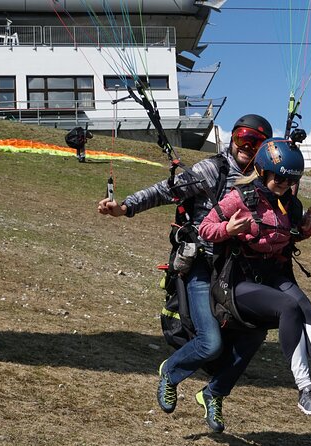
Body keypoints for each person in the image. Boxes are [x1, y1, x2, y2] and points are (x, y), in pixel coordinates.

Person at [97, 114, 275, 433]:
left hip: (239, 270)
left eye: (256, 142)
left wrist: (306, 225)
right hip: (202, 265)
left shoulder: (266, 180)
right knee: (210, 343)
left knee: (257, 329)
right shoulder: (213, 169)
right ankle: (171, 371)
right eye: (242, 138)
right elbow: (168, 190)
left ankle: (213, 392)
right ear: (231, 139)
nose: (247, 146)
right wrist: (125, 207)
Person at [199, 138, 311, 416]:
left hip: (273, 274)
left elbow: (290, 233)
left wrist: (308, 227)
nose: (283, 185)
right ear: (263, 171)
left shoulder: (289, 203)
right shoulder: (239, 197)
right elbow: (205, 229)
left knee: (305, 308)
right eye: (279, 179)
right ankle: (305, 390)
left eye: (290, 181)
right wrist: (228, 230)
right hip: (239, 281)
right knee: (288, 307)